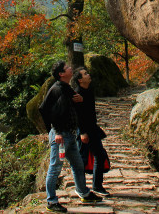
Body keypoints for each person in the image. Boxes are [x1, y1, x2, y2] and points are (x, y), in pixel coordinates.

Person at [39, 61, 103, 213]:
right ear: (61, 74)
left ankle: (84, 192)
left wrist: (79, 100)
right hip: (61, 136)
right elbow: (45, 110)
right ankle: (51, 201)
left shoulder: (66, 88)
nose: (70, 68)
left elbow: (70, 107)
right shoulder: (58, 89)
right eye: (67, 68)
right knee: (55, 168)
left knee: (78, 164)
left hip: (70, 135)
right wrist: (55, 132)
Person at [72, 67, 110, 197]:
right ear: (80, 79)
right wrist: (82, 132)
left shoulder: (89, 90)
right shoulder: (77, 93)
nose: (89, 75)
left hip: (92, 128)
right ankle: (81, 188)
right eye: (85, 74)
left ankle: (97, 186)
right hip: (84, 131)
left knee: (99, 155)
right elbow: (78, 115)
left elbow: (89, 109)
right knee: (82, 160)